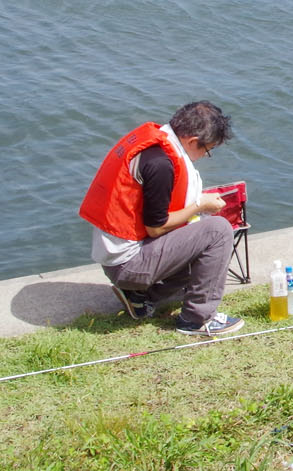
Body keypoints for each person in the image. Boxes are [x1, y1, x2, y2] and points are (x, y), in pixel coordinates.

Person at [79, 100, 245, 336]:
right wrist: (200, 205)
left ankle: (140, 297)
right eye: (207, 150)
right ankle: (197, 319)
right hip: (128, 265)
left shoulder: (155, 141)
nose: (204, 156)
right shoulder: (161, 165)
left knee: (203, 242)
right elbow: (156, 229)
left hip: (116, 257)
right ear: (192, 142)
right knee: (217, 230)